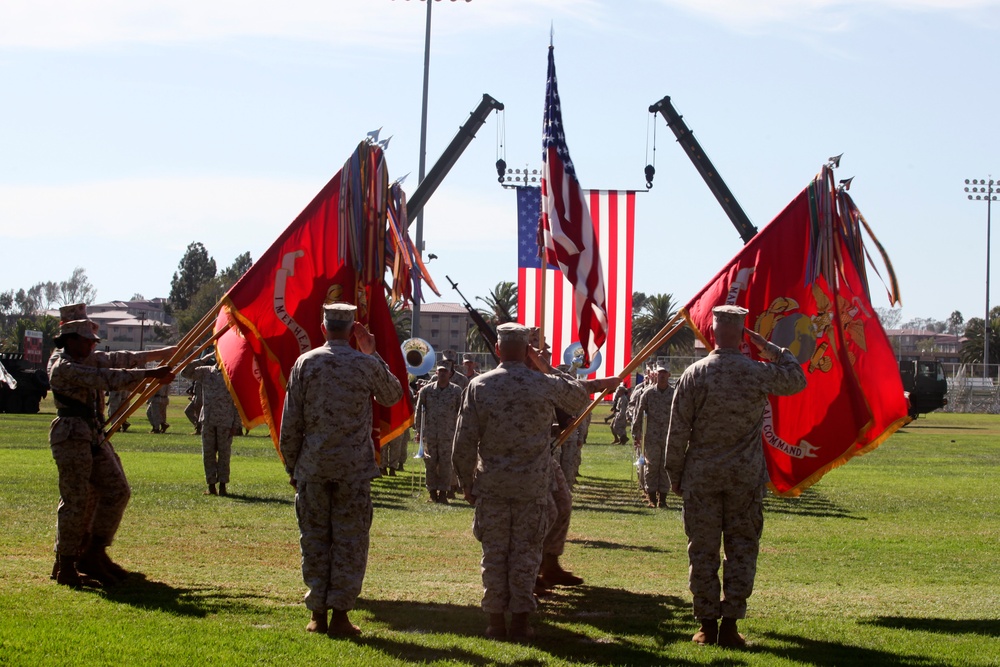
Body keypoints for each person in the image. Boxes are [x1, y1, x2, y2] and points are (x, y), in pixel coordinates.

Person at [452, 323, 619, 640]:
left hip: (493, 483)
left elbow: (463, 442)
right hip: (532, 485)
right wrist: (546, 367)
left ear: (499, 349)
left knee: (495, 555)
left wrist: (465, 482)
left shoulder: (478, 386)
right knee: (527, 555)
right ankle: (519, 623)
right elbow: (577, 400)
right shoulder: (544, 383)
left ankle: (495, 623)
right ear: (526, 349)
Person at [665, 305, 807, 648]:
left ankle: (706, 626)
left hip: (702, 477)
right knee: (741, 550)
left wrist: (674, 475)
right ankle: (730, 626)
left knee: (703, 550)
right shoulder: (757, 371)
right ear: (744, 334)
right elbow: (797, 379)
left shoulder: (695, 373)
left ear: (713, 332)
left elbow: (677, 431)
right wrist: (771, 349)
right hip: (744, 478)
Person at [278, 303, 403, 637]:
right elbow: (393, 395)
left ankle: (317, 614)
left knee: (315, 539)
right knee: (350, 541)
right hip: (354, 470)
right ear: (351, 331)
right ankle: (341, 616)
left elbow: (290, 423)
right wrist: (372, 353)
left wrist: (293, 466)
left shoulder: (306, 363)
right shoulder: (364, 364)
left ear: (322, 327)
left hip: (314, 467)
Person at [47, 303, 175, 587]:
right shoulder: (63, 366)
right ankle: (66, 564)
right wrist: (149, 375)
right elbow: (105, 378)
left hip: (93, 433)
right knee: (76, 500)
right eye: (88, 341)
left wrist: (161, 354)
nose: (93, 346)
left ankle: (93, 552)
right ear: (70, 340)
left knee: (117, 491)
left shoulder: (85, 357)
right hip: (72, 434)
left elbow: (121, 357)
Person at [181, 353, 242, 496]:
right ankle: (211, 485)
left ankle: (222, 486)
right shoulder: (206, 371)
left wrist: (236, 424)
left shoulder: (233, 374)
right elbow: (185, 373)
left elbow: (237, 402)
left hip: (226, 421)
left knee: (224, 455)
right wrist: (201, 360)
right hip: (208, 420)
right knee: (208, 454)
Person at [414, 365, 462, 503]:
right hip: (430, 434)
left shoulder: (456, 391)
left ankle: (443, 492)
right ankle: (432, 492)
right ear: (436, 373)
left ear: (450, 374)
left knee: (446, 464)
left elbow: (461, 413)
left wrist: (459, 431)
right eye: (440, 371)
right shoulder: (426, 391)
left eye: (445, 371)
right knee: (430, 463)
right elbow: (419, 412)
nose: (442, 374)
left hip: (448, 434)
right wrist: (419, 431)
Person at [632, 364, 674, 508]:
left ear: (669, 375)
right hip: (651, 437)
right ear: (656, 375)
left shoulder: (674, 394)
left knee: (665, 467)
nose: (662, 376)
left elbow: (681, 415)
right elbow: (638, 414)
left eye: (665, 373)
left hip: (669, 437)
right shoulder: (648, 393)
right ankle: (651, 497)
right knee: (651, 466)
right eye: (660, 373)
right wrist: (636, 434)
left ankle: (663, 499)